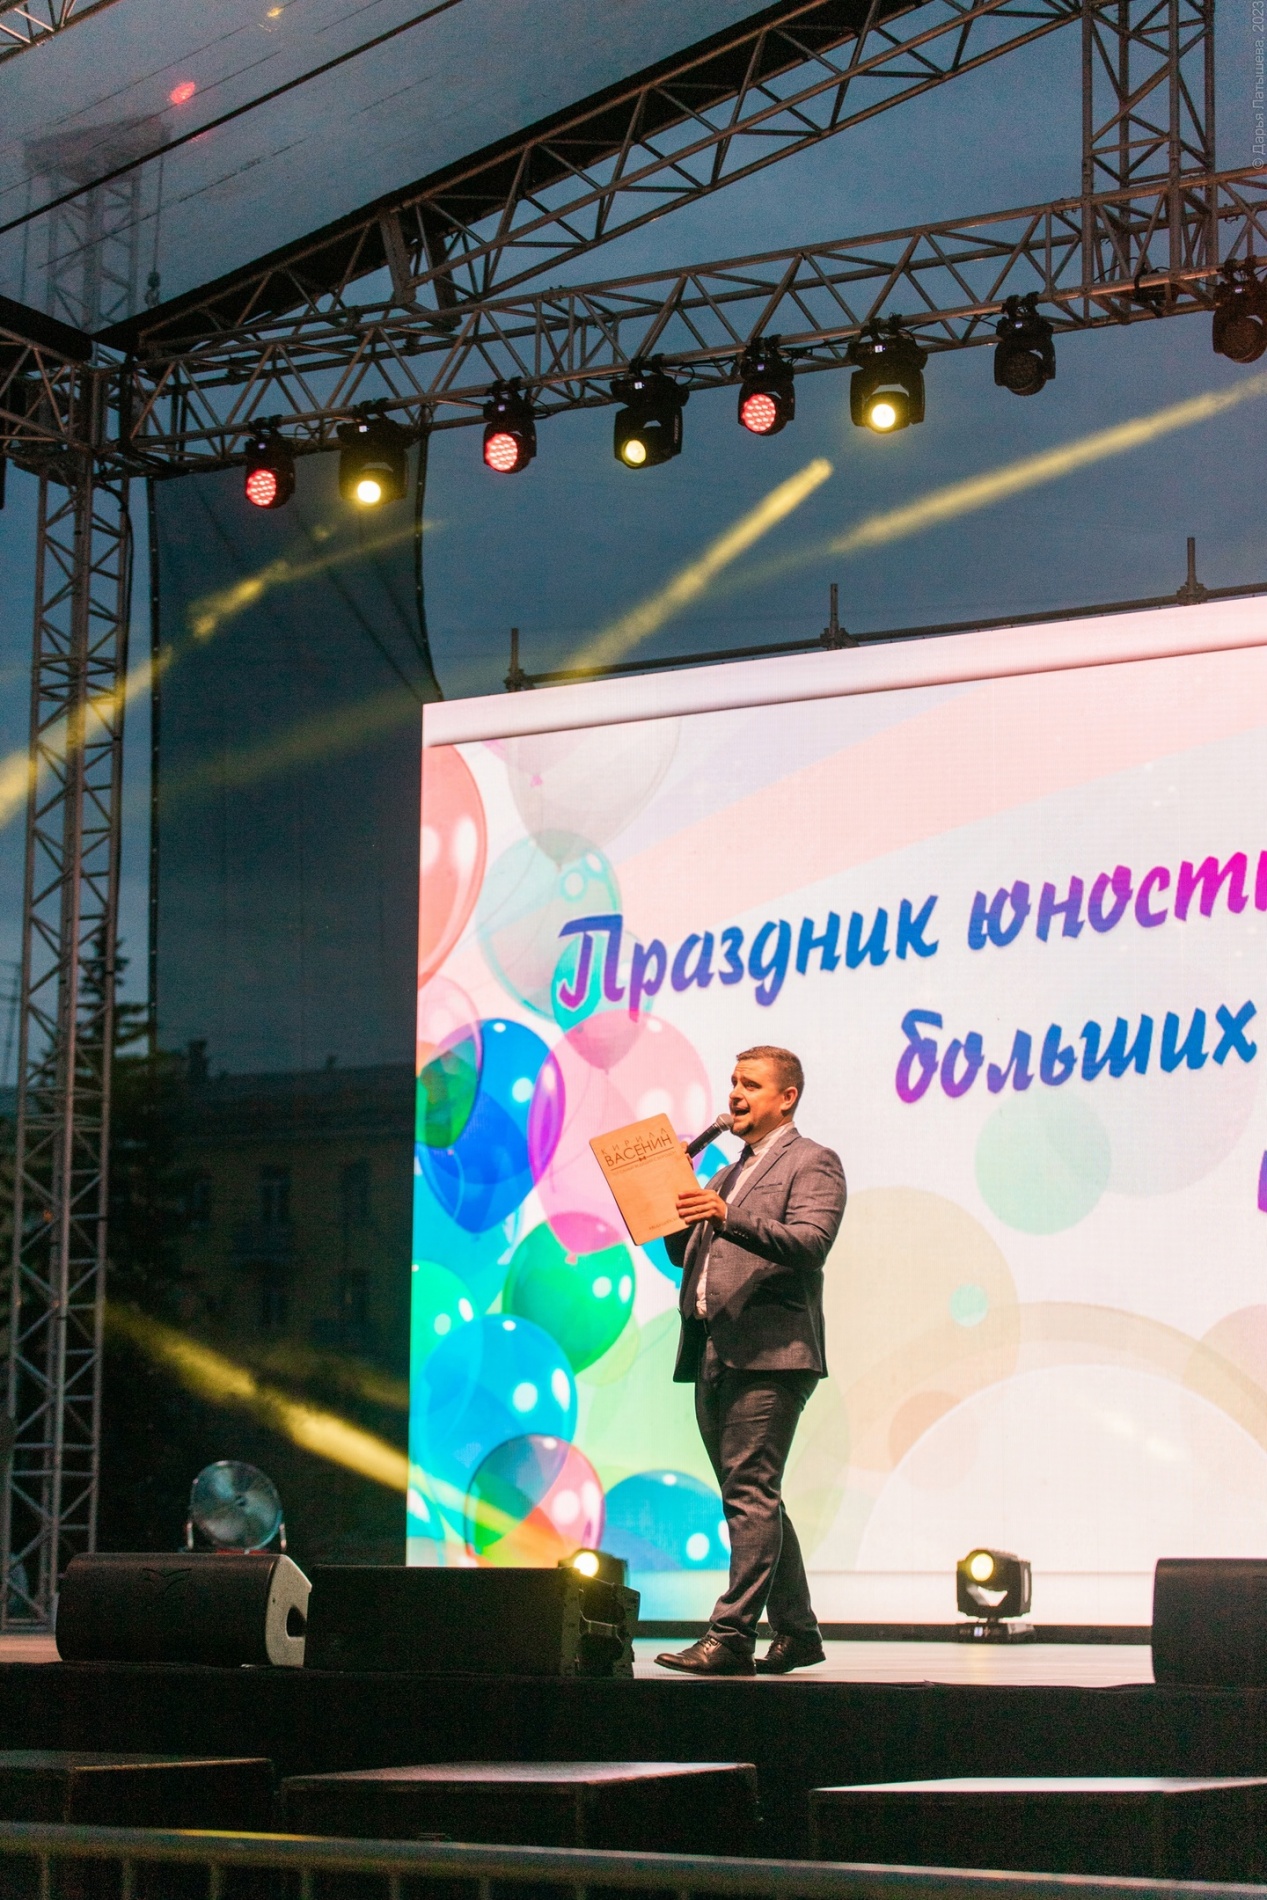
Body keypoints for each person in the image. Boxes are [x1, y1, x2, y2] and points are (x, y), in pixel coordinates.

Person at [655, 1045, 846, 1677]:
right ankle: (798, 1633)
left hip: (771, 1353)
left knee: (749, 1491)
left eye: (751, 1084)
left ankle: (731, 1635)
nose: (735, 1094)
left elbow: (811, 1243)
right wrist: (669, 1191)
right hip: (713, 1347)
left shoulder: (812, 1161)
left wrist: (726, 1215)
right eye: (733, 1082)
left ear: (786, 1098)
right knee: (753, 1495)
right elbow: (684, 1251)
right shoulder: (724, 1174)